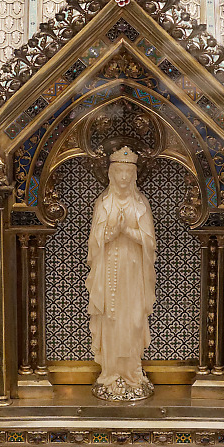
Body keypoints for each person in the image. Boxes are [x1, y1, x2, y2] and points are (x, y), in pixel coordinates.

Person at [85, 146, 156, 401]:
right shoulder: (104, 203)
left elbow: (150, 243)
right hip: (108, 273)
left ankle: (133, 373)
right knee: (111, 320)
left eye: (129, 172)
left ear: (134, 175)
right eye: (120, 172)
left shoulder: (141, 205)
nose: (124, 177)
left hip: (133, 274)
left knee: (133, 320)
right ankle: (111, 372)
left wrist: (129, 232)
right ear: (112, 174)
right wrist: (111, 234)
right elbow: (94, 243)